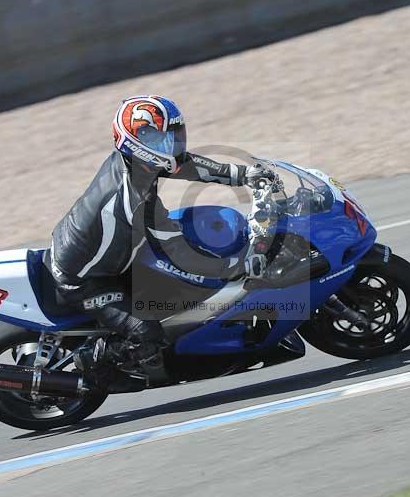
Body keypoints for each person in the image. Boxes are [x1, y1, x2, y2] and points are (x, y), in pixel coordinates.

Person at [48, 95, 272, 384]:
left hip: (109, 251)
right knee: (149, 331)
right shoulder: (134, 201)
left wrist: (243, 174)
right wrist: (239, 265)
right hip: (83, 280)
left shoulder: (134, 163)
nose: (173, 145)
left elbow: (185, 166)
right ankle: (96, 361)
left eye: (174, 136)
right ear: (137, 143)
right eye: (162, 140)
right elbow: (179, 252)